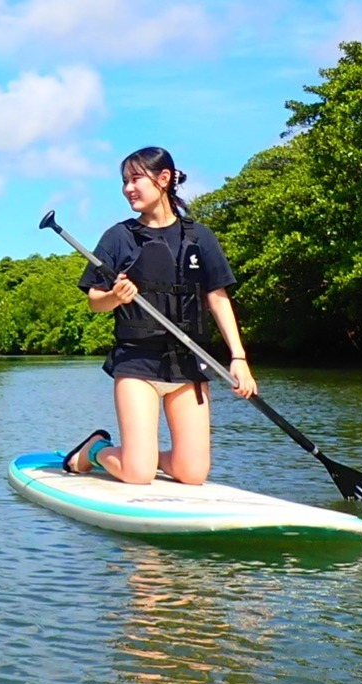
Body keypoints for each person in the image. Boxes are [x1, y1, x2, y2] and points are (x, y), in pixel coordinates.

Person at [65, 147, 258, 486]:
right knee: (138, 473)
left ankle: (141, 455)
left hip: (188, 362)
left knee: (192, 473)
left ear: (164, 179)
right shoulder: (118, 237)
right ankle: (95, 449)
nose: (128, 188)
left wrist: (238, 358)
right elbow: (95, 301)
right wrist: (114, 297)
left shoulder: (199, 237)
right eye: (124, 181)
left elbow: (218, 298)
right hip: (137, 363)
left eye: (136, 179)